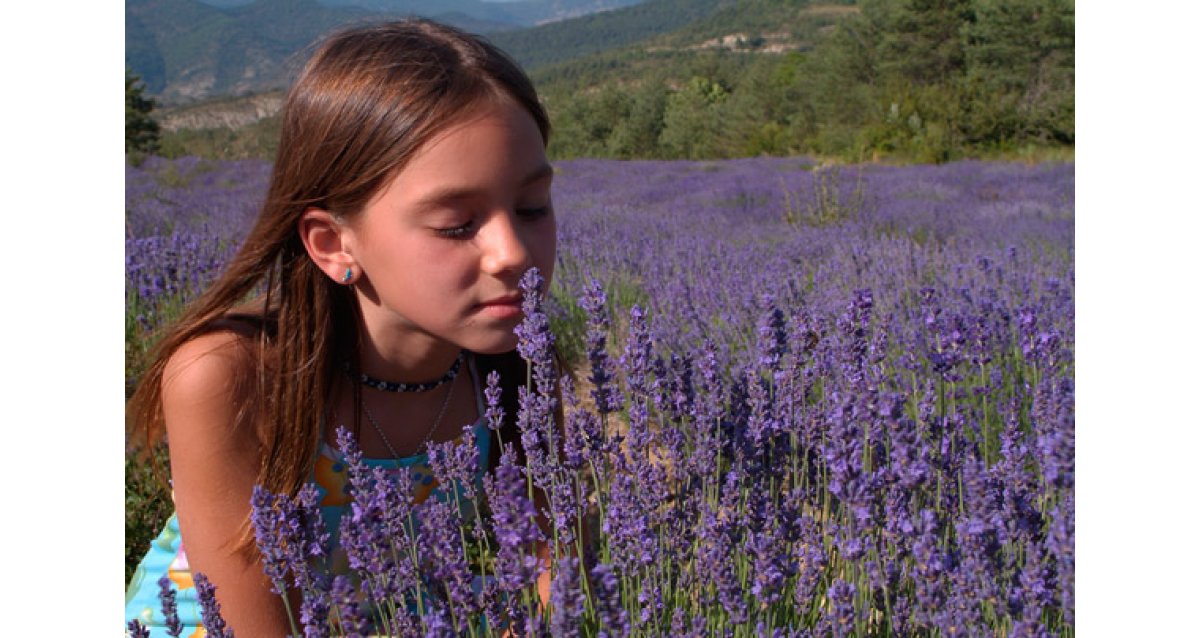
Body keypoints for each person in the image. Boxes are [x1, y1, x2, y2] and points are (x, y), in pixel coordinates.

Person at [124, 18, 559, 635]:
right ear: (332, 244)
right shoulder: (229, 378)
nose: (512, 252)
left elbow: (558, 589)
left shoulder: (521, 369)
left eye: (532, 207)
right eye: (458, 224)